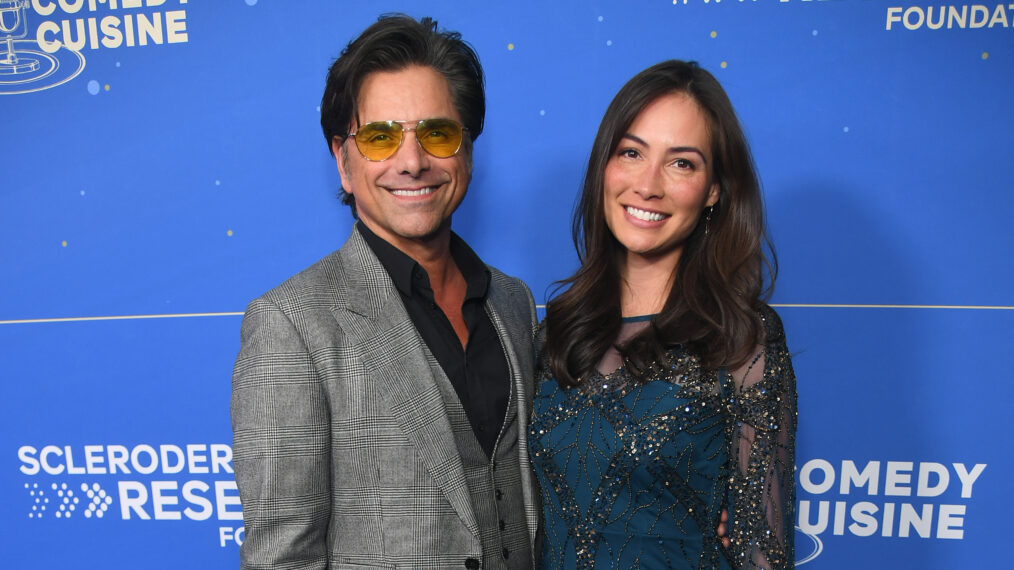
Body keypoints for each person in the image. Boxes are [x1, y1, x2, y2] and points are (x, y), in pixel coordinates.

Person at [231, 15, 540, 570]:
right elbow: (282, 558)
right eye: (380, 137)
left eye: (437, 133)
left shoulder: (513, 303)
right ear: (342, 162)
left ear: (467, 150)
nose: (412, 161)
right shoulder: (291, 324)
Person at [529, 60, 797, 569]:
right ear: (603, 167)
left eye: (682, 163)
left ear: (714, 190)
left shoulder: (742, 340)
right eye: (631, 152)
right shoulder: (554, 332)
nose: (648, 185)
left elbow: (762, 551)